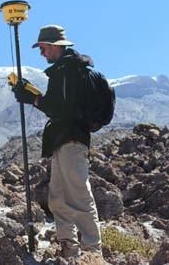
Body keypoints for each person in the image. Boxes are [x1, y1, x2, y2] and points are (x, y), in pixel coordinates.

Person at [13, 25, 102, 258]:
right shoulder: (66, 69)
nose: (42, 54)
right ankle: (68, 250)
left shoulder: (68, 71)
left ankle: (93, 253)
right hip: (64, 140)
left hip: (72, 140)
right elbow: (60, 107)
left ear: (54, 46)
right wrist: (33, 97)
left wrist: (32, 98)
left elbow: (59, 108)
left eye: (43, 49)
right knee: (58, 197)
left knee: (79, 196)